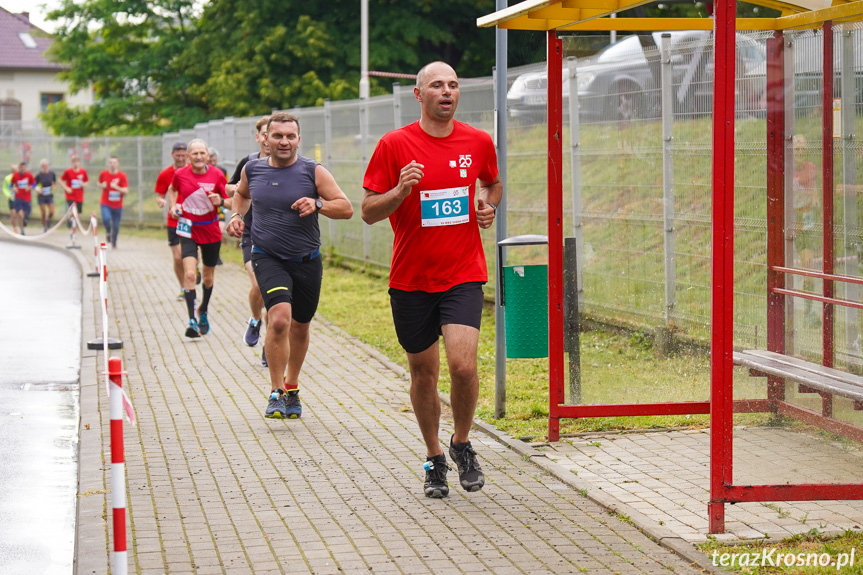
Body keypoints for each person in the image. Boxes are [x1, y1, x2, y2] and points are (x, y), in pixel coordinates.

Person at [361, 61, 503, 498]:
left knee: (463, 365)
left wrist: (486, 204)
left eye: (454, 85)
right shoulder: (395, 144)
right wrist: (400, 192)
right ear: (418, 95)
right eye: (437, 85)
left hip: (462, 273)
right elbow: (367, 210)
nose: (447, 91)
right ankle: (434, 456)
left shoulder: (477, 141)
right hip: (410, 279)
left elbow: (493, 183)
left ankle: (462, 442)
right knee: (424, 376)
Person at [227, 112, 353, 420]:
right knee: (280, 319)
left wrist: (318, 204)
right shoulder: (252, 169)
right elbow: (241, 195)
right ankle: (275, 391)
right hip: (267, 256)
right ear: (265, 139)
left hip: (307, 260)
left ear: (298, 139)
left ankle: (292, 386)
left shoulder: (313, 171)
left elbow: (346, 208)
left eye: (290, 136)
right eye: (278, 136)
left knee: (300, 325)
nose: (284, 141)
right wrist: (235, 216)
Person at [169, 139, 230, 338]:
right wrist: (173, 206)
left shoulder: (217, 174)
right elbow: (172, 189)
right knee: (189, 275)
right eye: (194, 154)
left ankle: (202, 309)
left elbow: (230, 200)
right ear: (188, 157)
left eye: (201, 153)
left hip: (210, 230)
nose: (198, 157)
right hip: (188, 229)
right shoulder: (180, 174)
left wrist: (220, 201)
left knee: (208, 275)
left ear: (207, 156)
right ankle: (192, 321)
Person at [226, 115, 270, 365]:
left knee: (275, 296)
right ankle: (255, 320)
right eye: (263, 134)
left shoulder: (289, 164)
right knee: (259, 285)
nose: (267, 138)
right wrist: (244, 187)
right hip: (251, 233)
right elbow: (229, 188)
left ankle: (269, 344)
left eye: (270, 133)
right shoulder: (249, 163)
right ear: (258, 137)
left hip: (277, 237)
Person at [155, 142, 191, 300]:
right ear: (172, 155)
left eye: (184, 155)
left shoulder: (193, 171)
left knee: (191, 256)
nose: (181, 158)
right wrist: (161, 201)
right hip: (173, 220)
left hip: (192, 220)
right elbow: (160, 195)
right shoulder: (165, 174)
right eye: (178, 155)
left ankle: (192, 271)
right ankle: (184, 288)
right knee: (178, 257)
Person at [97, 156, 129, 248]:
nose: (112, 164)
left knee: (116, 226)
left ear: (118, 164)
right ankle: (108, 232)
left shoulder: (122, 176)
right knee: (106, 219)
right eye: (110, 162)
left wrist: (116, 187)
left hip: (117, 205)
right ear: (108, 164)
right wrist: (101, 185)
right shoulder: (103, 174)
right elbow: (98, 183)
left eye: (114, 162)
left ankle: (114, 240)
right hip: (106, 203)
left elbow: (126, 191)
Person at [61, 155, 89, 230]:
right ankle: (71, 221)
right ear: (71, 163)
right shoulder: (68, 171)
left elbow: (86, 181)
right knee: (73, 210)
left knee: (78, 213)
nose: (75, 163)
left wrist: (83, 184)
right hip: (70, 195)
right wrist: (66, 188)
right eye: (73, 162)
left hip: (79, 195)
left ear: (79, 162)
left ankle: (74, 226)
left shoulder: (83, 171)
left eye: (77, 161)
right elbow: (61, 180)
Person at [10, 162, 35, 235]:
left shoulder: (29, 175)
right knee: (20, 214)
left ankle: (24, 221)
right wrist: (13, 189)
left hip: (27, 198)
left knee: (25, 214)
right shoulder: (15, 175)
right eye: (21, 168)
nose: (23, 170)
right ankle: (22, 230)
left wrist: (30, 187)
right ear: (19, 168)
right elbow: (11, 185)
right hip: (18, 197)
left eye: (24, 168)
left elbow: (34, 184)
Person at [35, 159, 57, 232]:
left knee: (51, 211)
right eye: (43, 166)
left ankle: (48, 219)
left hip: (49, 195)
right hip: (41, 196)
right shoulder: (39, 175)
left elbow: (54, 182)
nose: (45, 167)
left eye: (46, 165)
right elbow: (34, 184)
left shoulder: (52, 174)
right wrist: (38, 189)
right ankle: (44, 226)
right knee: (43, 211)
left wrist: (54, 186)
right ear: (41, 166)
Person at [3, 165, 15, 229]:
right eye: (13, 170)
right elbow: (5, 188)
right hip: (12, 198)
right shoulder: (8, 178)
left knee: (21, 214)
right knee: (13, 214)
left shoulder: (21, 177)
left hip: (20, 198)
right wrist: (8, 195)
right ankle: (14, 228)